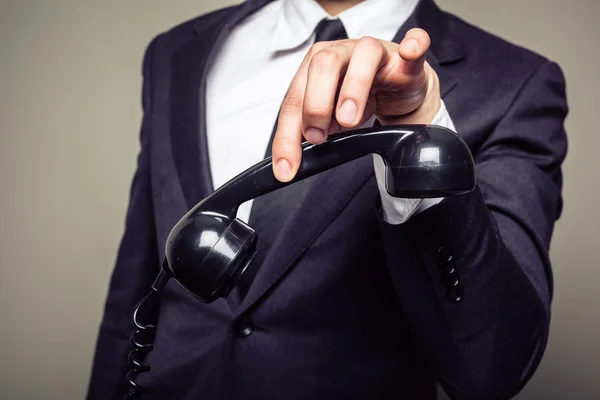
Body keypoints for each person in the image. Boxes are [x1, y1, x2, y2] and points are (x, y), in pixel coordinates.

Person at [87, 0, 568, 399]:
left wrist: (422, 129)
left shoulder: (516, 82)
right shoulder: (175, 53)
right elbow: (135, 285)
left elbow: (495, 366)